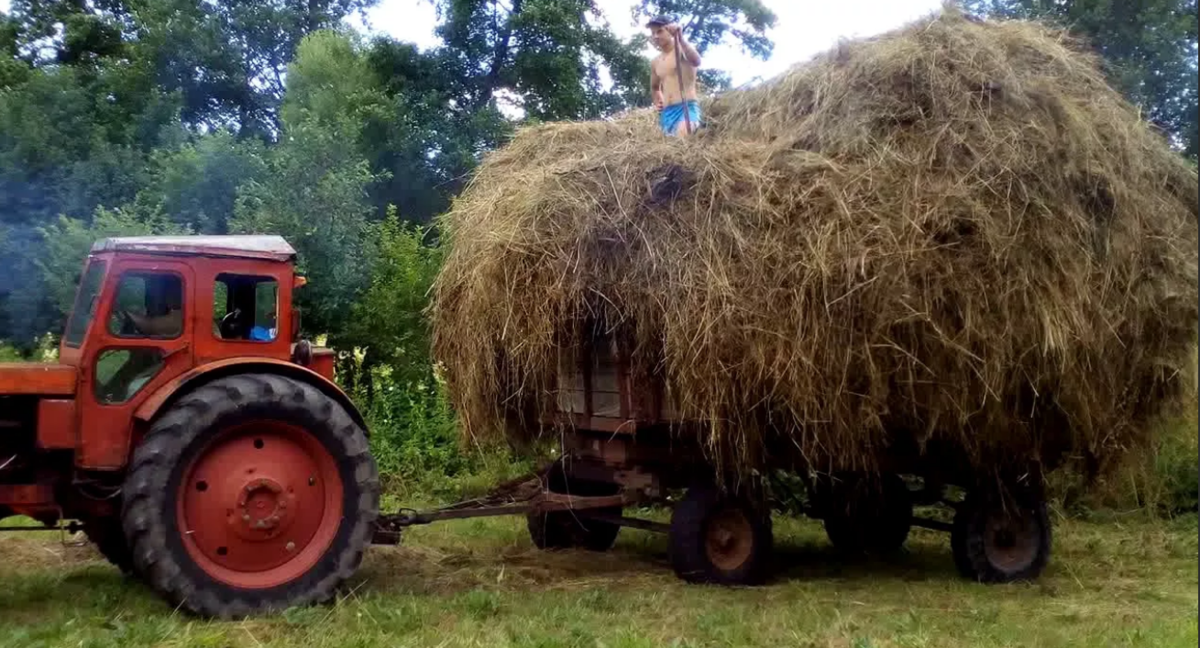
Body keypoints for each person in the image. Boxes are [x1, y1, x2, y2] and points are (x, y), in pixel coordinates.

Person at [647, 16, 702, 137]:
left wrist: (680, 38)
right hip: (666, 113)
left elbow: (697, 61)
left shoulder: (683, 50)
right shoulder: (655, 61)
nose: (655, 36)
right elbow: (655, 87)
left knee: (682, 143)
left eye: (660, 31)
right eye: (653, 33)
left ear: (670, 30)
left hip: (686, 108)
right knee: (669, 151)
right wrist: (658, 101)